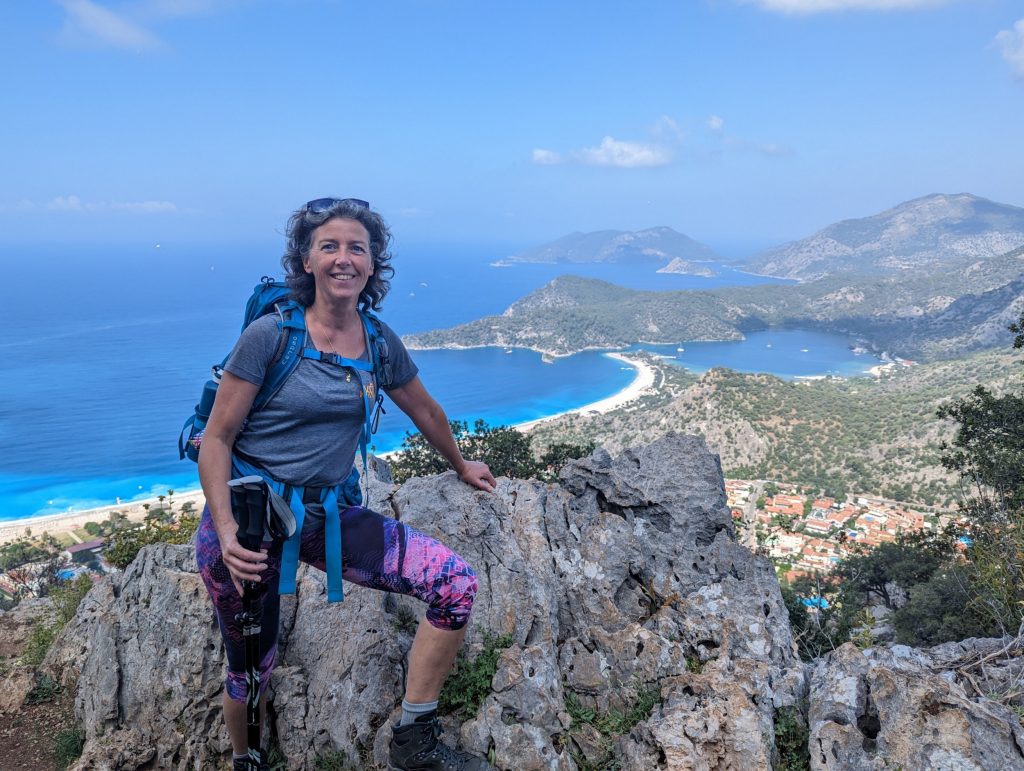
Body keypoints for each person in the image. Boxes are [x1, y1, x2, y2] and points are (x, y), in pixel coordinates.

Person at [195, 197, 498, 771]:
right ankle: (244, 759)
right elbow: (217, 439)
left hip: (325, 518)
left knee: (455, 584)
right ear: (306, 261)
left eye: (356, 247)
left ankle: (414, 740)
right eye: (328, 246)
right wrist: (229, 532)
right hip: (250, 527)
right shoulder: (269, 337)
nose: (343, 258)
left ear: (372, 264)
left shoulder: (379, 342)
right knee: (251, 669)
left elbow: (425, 411)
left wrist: (462, 465)